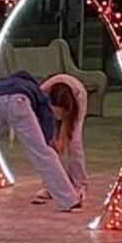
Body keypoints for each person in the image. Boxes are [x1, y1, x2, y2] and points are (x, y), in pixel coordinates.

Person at [0, 70, 82, 211]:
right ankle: (69, 200)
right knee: (41, 153)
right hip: (19, 102)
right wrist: (48, 139)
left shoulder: (1, 82)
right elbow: (45, 115)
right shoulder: (33, 89)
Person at [32, 74, 87, 205]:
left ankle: (79, 185)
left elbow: (74, 142)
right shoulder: (41, 94)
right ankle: (51, 185)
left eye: (61, 114)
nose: (58, 117)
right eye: (55, 113)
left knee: (74, 143)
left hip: (77, 98)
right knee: (47, 146)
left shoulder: (78, 100)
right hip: (47, 108)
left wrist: (80, 185)